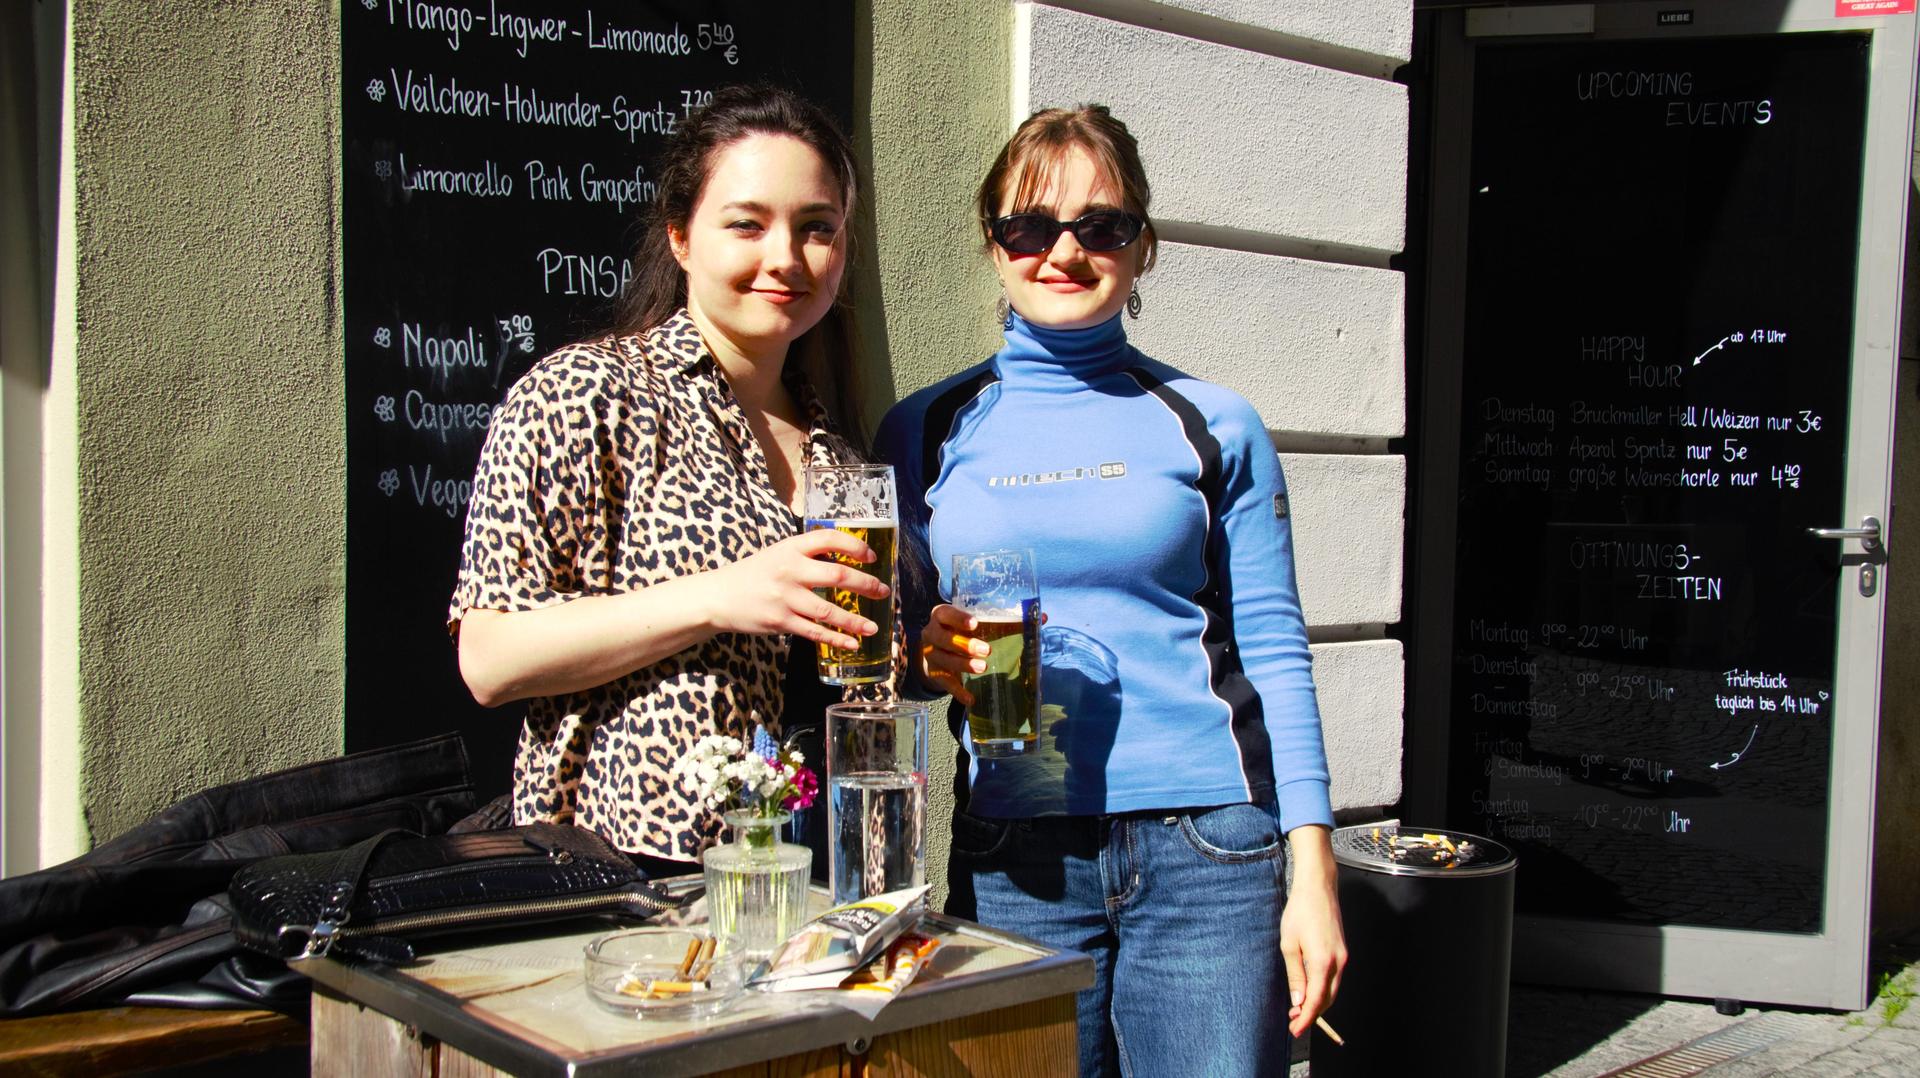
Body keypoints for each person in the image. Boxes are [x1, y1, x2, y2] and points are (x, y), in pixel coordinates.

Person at [876, 105, 1347, 1076]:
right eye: (1030, 226)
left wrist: (1314, 868)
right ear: (994, 244)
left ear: (1142, 245)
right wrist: (926, 658)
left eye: (1101, 225)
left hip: (1209, 847)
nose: (1064, 251)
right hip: (1018, 846)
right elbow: (898, 654)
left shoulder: (1214, 422)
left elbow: (1274, 645)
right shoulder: (923, 429)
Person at [449, 85, 886, 878]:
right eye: (747, 224)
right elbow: (490, 658)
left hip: (819, 876)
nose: (786, 257)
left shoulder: (841, 460)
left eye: (816, 228)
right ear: (681, 237)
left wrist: (929, 654)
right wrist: (717, 596)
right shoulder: (586, 395)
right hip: (635, 877)